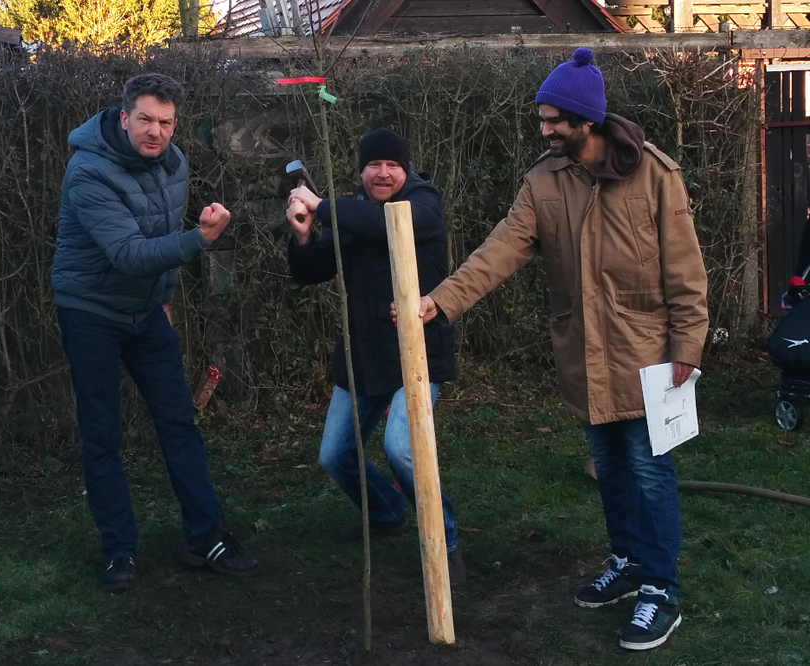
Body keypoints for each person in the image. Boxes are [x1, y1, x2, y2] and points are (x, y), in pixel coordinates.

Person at [399, 49, 708, 649]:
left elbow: (687, 276)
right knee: (611, 470)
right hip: (584, 358)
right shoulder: (544, 182)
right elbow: (500, 250)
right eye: (541, 120)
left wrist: (687, 350)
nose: (543, 130)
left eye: (553, 120)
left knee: (650, 473)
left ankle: (660, 589)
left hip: (650, 357)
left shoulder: (655, 175)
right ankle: (625, 563)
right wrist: (438, 301)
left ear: (586, 121)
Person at [52, 73, 258, 592]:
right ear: (124, 118)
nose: (156, 132)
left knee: (178, 421)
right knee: (102, 435)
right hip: (91, 313)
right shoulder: (87, 172)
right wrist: (202, 238)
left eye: (166, 122)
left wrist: (163, 299)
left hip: (146, 314)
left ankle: (205, 535)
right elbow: (127, 254)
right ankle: (118, 551)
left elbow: (160, 237)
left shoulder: (175, 162)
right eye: (145, 119)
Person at [286, 128, 465, 586]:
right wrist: (305, 236)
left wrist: (323, 206)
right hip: (363, 357)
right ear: (361, 169)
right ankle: (387, 511)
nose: (383, 173)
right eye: (374, 165)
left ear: (406, 169)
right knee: (334, 455)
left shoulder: (425, 203)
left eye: (392, 165)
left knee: (403, 448)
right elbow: (311, 271)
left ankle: (446, 543)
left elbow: (389, 222)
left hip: (418, 353)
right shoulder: (354, 210)